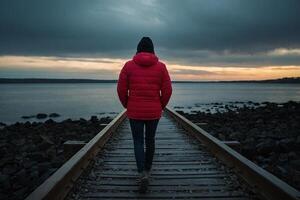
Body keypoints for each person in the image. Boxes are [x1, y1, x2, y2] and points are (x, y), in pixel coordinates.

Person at [117, 37, 172, 193]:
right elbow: (167, 90)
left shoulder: (128, 66)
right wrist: (160, 105)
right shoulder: (161, 67)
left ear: (138, 49)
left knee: (138, 141)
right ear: (152, 50)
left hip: (134, 110)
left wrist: (127, 104)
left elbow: (121, 89)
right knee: (150, 140)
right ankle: (148, 170)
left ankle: (141, 173)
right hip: (154, 111)